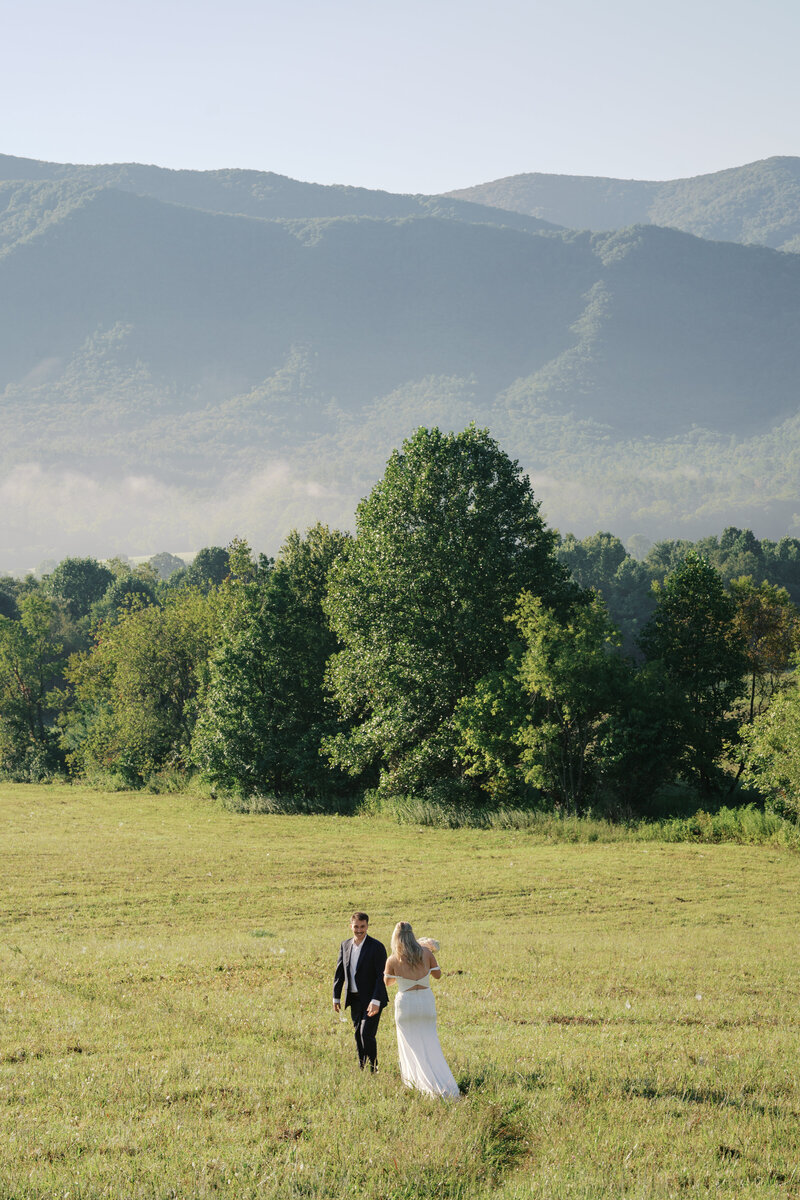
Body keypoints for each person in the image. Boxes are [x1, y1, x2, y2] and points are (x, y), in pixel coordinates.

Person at [384, 921, 460, 1099]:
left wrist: (403, 977)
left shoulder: (393, 959)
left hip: (406, 1004)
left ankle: (417, 1082)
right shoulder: (425, 953)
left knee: (410, 1044)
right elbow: (438, 975)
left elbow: (387, 982)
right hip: (425, 1001)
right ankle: (441, 1081)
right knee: (430, 1041)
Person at [333, 910, 388, 1071]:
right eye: (356, 926)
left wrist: (376, 1000)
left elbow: (381, 976)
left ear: (367, 926)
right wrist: (336, 997)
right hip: (354, 998)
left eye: (362, 926)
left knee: (366, 1034)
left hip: (372, 999)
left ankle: (373, 1068)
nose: (359, 930)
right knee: (358, 1034)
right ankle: (362, 1065)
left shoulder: (377, 947)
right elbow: (340, 972)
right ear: (350, 926)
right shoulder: (345, 945)